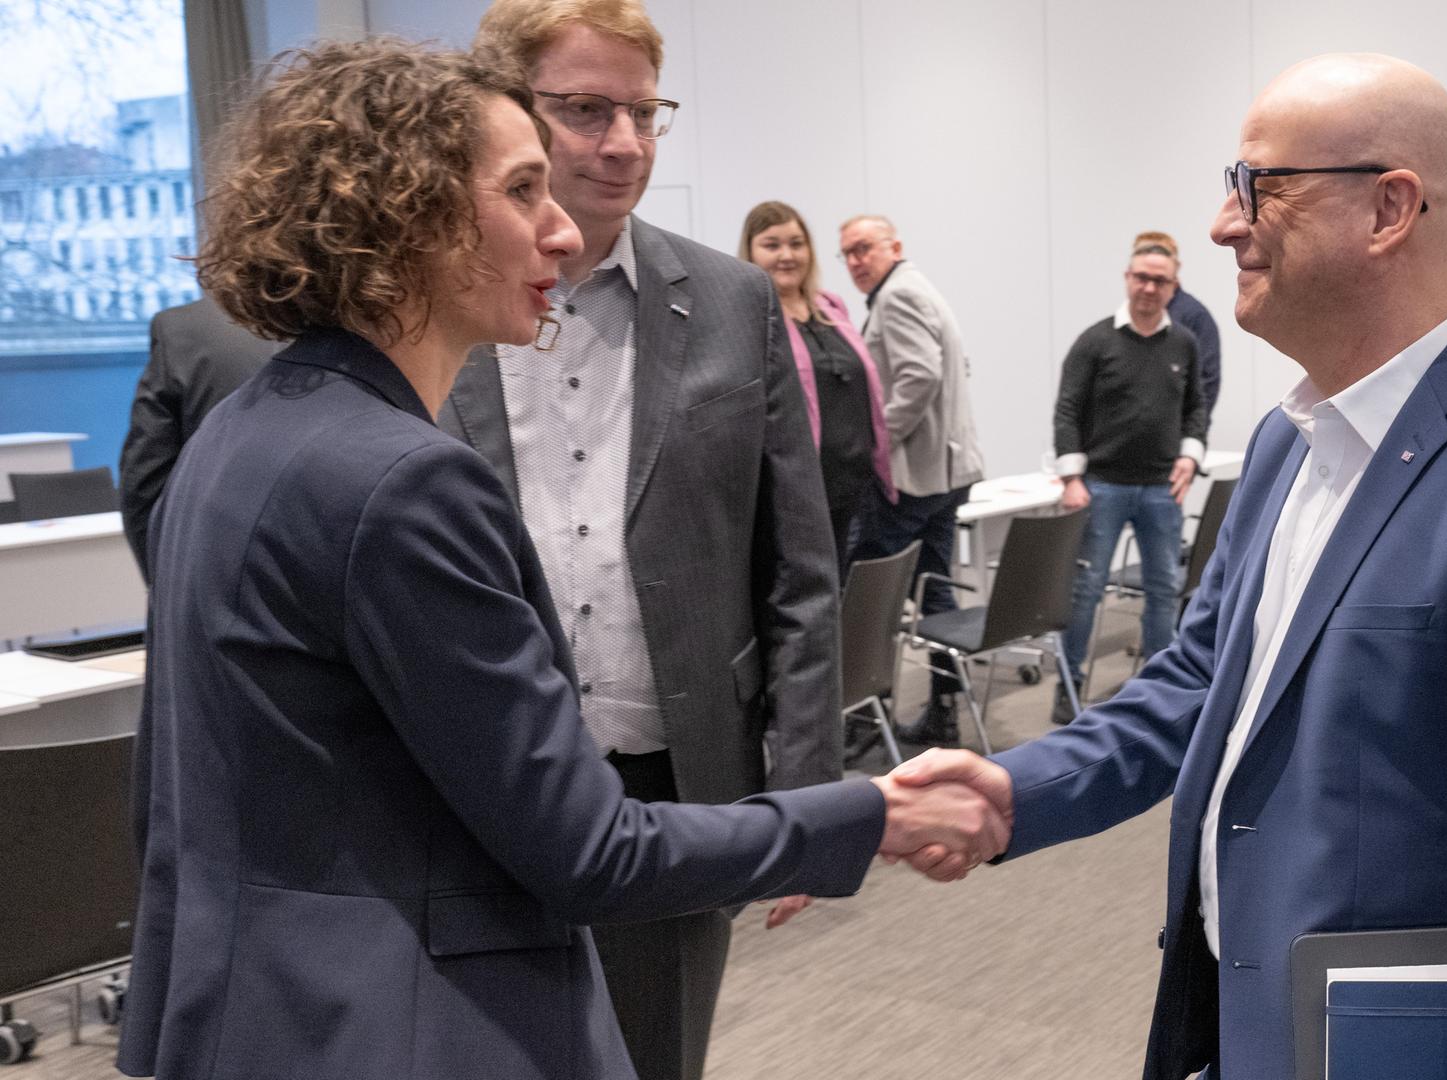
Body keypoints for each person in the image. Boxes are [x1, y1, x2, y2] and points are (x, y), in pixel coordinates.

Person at [120, 40, 1003, 1080]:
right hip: (404, 1029)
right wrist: (871, 810)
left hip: (250, 1017)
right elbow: (589, 853)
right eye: (525, 187)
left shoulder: (241, 434)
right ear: (410, 214)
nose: (561, 224)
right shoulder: (404, 481)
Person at [894, 52, 1447, 1080]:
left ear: (1389, 209)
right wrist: (1012, 788)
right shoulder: (1284, 444)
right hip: (1246, 1022)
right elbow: (1198, 685)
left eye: (1261, 186)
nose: (1224, 224)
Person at [437, 6, 846, 1076]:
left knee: (656, 1055)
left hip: (676, 775)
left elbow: (800, 569)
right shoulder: (436, 303)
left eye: (642, 112)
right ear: (509, 116)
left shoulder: (731, 301)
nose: (624, 142)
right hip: (474, 767)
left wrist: (805, 797)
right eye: (584, 111)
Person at [838, 214, 986, 745]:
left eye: (864, 248)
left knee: (868, 598)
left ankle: (862, 721)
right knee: (936, 590)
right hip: (943, 474)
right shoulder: (918, 288)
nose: (856, 261)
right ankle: (944, 714)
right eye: (847, 253)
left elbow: (919, 375)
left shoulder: (898, 296)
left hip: (912, 478)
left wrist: (876, 443)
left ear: (893, 246)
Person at [1051, 240, 1209, 724]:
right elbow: (1067, 409)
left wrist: (1190, 456)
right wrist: (1072, 476)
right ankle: (1069, 682)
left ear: (1173, 287)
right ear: (1127, 277)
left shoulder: (1184, 342)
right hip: (1101, 486)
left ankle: (1162, 683)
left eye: (1159, 280)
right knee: (1087, 588)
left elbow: (1195, 407)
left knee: (1165, 588)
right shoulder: (1096, 341)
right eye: (1141, 277)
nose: (1148, 287)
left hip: (1161, 488)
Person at [738, 200, 895, 575]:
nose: (787, 255)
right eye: (772, 245)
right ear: (751, 252)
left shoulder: (832, 307)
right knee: (815, 595)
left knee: (856, 597)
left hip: (857, 485)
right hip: (801, 494)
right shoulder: (750, 317)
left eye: (796, 243)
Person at [117, 298, 278, 582]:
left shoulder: (185, 329)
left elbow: (145, 479)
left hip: (214, 575)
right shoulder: (364, 323)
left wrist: (164, 587)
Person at [1133, 230, 1223, 423]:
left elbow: (1207, 383)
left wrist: (1190, 436)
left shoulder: (1194, 316)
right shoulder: (1134, 318)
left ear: (1174, 266)